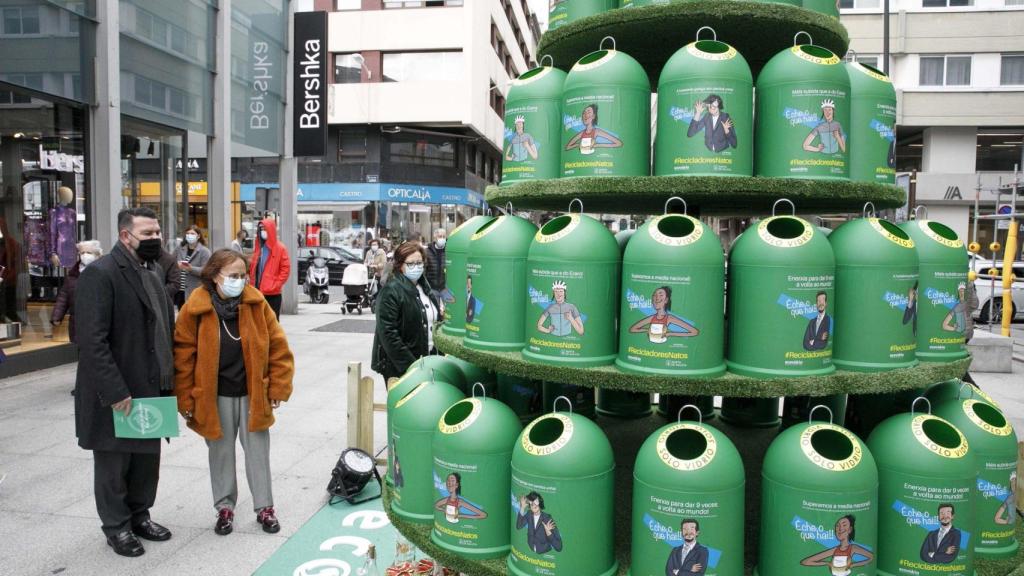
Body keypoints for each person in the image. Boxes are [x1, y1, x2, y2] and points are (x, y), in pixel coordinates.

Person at [74, 207, 175, 557]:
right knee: (114, 463)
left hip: (152, 385)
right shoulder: (101, 274)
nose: (155, 239)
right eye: (147, 234)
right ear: (125, 235)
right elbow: (92, 341)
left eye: (157, 232)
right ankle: (116, 527)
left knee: (146, 460)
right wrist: (115, 390)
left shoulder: (154, 270)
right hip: (119, 389)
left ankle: (139, 515)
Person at [174, 248, 294, 536]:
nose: (239, 281)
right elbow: (183, 354)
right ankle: (224, 508)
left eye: (243, 275)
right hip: (213, 395)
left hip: (253, 393)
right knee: (220, 452)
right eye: (233, 276)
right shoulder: (196, 307)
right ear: (215, 276)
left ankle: (265, 508)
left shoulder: (256, 303)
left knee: (257, 452)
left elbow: (278, 346)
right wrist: (186, 395)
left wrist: (277, 385)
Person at [371, 241, 439, 381]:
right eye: (411, 263)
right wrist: (412, 367)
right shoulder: (391, 290)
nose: (417, 267)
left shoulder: (424, 287)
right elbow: (388, 334)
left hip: (427, 362)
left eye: (420, 263)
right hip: (401, 367)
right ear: (400, 265)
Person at [52, 240, 103, 344]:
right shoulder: (73, 275)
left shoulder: (104, 272)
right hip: (77, 321)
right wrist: (57, 316)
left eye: (89, 253)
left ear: (98, 255)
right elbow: (63, 296)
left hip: (99, 320)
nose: (85, 255)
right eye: (82, 253)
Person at [800, 515, 874, 574]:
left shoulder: (853, 548)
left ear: (850, 530)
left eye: (844, 525)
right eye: (837, 526)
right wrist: (827, 563)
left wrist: (853, 565)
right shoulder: (834, 550)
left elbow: (871, 557)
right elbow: (805, 562)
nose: (840, 528)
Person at [250, 218, 290, 319]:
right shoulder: (259, 248)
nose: (262, 231)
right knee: (258, 321)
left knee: (272, 322)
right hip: (257, 292)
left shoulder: (280, 248)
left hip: (272, 294)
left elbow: (285, 269)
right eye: (261, 229)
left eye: (264, 228)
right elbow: (254, 268)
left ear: (271, 229)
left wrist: (276, 285)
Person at [628, 286, 698, 343]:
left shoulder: (669, 318)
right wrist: (647, 330)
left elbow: (694, 332)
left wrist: (670, 334)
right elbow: (632, 329)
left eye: (660, 295)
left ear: (666, 300)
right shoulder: (651, 318)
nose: (657, 298)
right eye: (654, 295)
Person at [174, 225, 211, 308]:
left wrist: (191, 268)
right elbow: (172, 262)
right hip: (180, 289)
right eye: (187, 233)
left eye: (192, 233)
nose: (189, 235)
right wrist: (177, 264)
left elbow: (206, 271)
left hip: (195, 290)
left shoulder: (204, 251)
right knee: (182, 315)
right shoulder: (179, 249)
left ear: (198, 236)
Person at [425, 228, 447, 301]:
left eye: (444, 237)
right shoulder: (428, 251)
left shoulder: (449, 251)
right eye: (440, 236)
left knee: (447, 311)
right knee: (435, 310)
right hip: (432, 288)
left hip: (446, 289)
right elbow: (424, 271)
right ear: (435, 238)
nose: (442, 239)